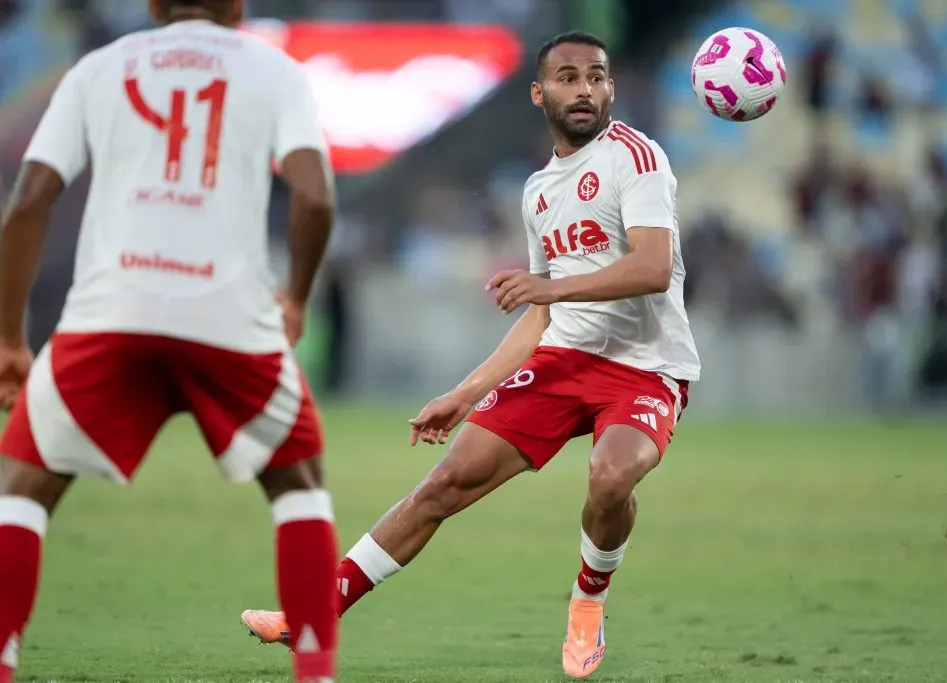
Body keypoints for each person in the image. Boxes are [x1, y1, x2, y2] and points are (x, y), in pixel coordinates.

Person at [242, 30, 701, 680]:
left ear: (611, 88)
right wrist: (465, 391)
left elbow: (652, 267)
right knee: (443, 485)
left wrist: (553, 285)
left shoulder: (637, 156)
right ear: (540, 93)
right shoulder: (539, 189)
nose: (585, 89)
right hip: (565, 361)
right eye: (568, 78)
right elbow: (539, 317)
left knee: (611, 474)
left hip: (646, 365)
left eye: (596, 77)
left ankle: (588, 599)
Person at [0, 1, 339, 681]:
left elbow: (30, 197)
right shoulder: (276, 72)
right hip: (229, 317)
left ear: (154, 5)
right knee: (299, 484)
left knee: (21, 490)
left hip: (111, 314)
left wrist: (8, 335)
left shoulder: (97, 69)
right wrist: (296, 297)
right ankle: (315, 669)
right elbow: (315, 197)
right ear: (238, 7)